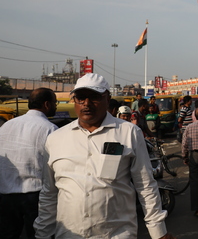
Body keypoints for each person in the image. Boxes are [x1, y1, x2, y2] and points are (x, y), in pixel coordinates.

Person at [34, 73, 175, 239]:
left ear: (107, 99)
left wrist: (159, 232)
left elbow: (145, 185)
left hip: (116, 234)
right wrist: (43, 233)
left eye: (94, 97)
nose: (86, 104)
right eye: (81, 98)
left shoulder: (128, 133)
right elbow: (49, 193)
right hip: (69, 233)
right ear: (74, 101)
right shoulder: (56, 139)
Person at [0, 88, 58, 239]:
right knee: (38, 235)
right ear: (47, 104)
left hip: (7, 196)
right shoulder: (50, 129)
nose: (56, 106)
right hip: (36, 197)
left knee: (8, 235)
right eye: (55, 102)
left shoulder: (6, 127)